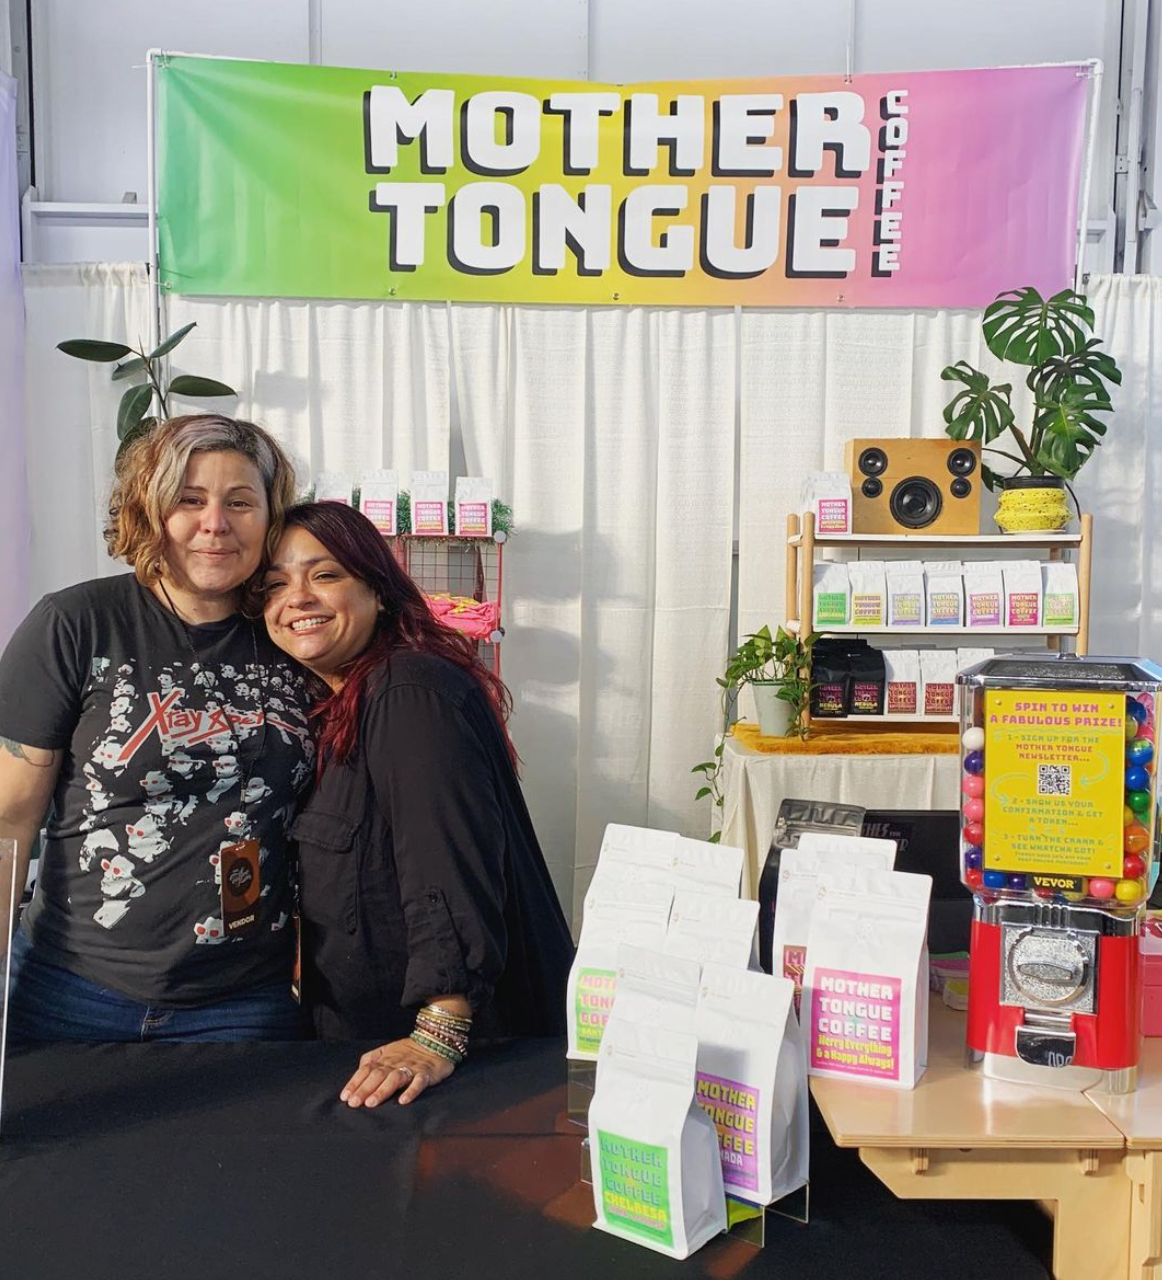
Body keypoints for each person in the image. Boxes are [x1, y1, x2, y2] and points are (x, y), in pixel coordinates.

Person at [0, 414, 316, 1042]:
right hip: (72, 993)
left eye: (241, 502)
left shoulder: (295, 635)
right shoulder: (77, 623)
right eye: (189, 499)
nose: (215, 524)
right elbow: (8, 822)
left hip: (245, 1002)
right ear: (150, 510)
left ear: (271, 518)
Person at [262, 502, 573, 1107]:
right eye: (274, 584)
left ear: (378, 591)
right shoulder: (338, 704)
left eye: (324, 575)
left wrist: (440, 1029)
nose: (296, 597)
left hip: (456, 1067)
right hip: (372, 1049)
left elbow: (447, 866)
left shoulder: (408, 690)